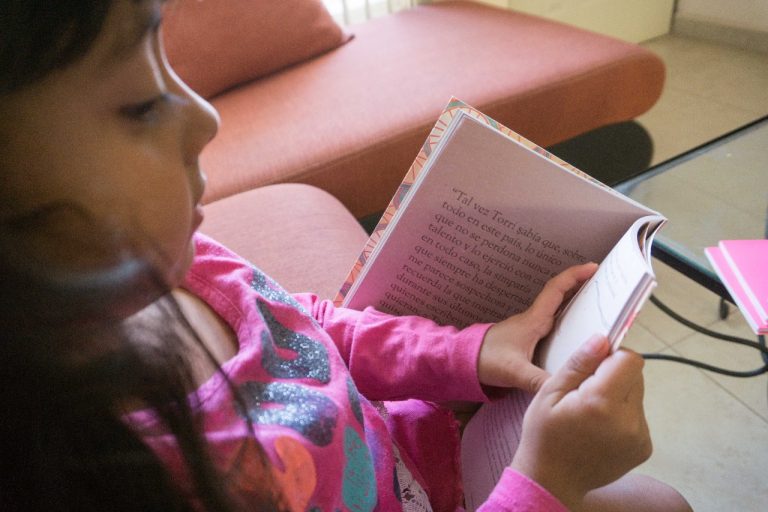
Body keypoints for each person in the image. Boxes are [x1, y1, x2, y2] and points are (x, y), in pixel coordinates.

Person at [0, 1, 692, 511]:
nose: (205, 117)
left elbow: (303, 329)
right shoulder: (111, 472)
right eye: (140, 104)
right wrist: (547, 480)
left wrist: (467, 351)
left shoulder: (185, 267)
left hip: (411, 459)